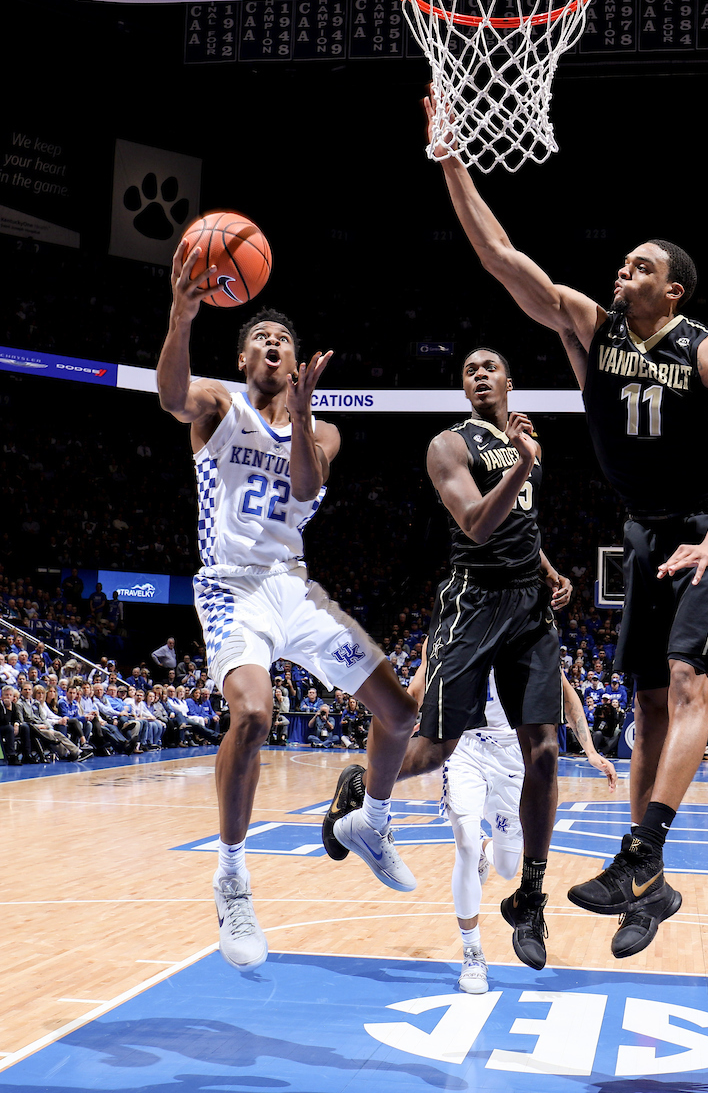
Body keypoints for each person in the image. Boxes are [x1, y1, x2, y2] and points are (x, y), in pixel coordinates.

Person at [425, 98, 708, 959]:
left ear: (672, 289)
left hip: (706, 526)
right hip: (646, 532)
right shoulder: (592, 330)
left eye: (639, 266)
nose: (622, 271)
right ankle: (647, 882)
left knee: (688, 685)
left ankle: (642, 853)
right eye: (623, 262)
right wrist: (451, 158)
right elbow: (502, 258)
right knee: (647, 707)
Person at [156, 238, 419, 973]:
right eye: (260, 338)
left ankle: (372, 818)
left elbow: (305, 488)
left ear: (298, 363)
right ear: (243, 359)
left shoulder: (322, 428)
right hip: (231, 585)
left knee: (399, 714)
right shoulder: (217, 405)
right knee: (253, 713)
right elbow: (171, 396)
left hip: (294, 588)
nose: (273, 343)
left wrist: (301, 415)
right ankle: (232, 876)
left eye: (284, 340)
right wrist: (182, 317)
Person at [323, 347, 571, 970]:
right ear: (464, 388)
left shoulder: (522, 442)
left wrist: (545, 568)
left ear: (511, 381)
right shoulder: (447, 446)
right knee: (434, 748)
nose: (481, 373)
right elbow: (477, 525)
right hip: (473, 603)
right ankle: (361, 785)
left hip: (528, 607)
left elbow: (522, 524)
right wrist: (521, 465)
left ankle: (532, 896)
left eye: (491, 365)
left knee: (543, 748)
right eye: (470, 369)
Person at [408, 641, 617, 993]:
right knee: (465, 843)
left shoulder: (527, 627)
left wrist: (592, 752)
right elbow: (416, 688)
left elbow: (566, 696)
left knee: (506, 867)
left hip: (513, 756)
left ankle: (488, 851)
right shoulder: (456, 621)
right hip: (465, 748)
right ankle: (473, 954)